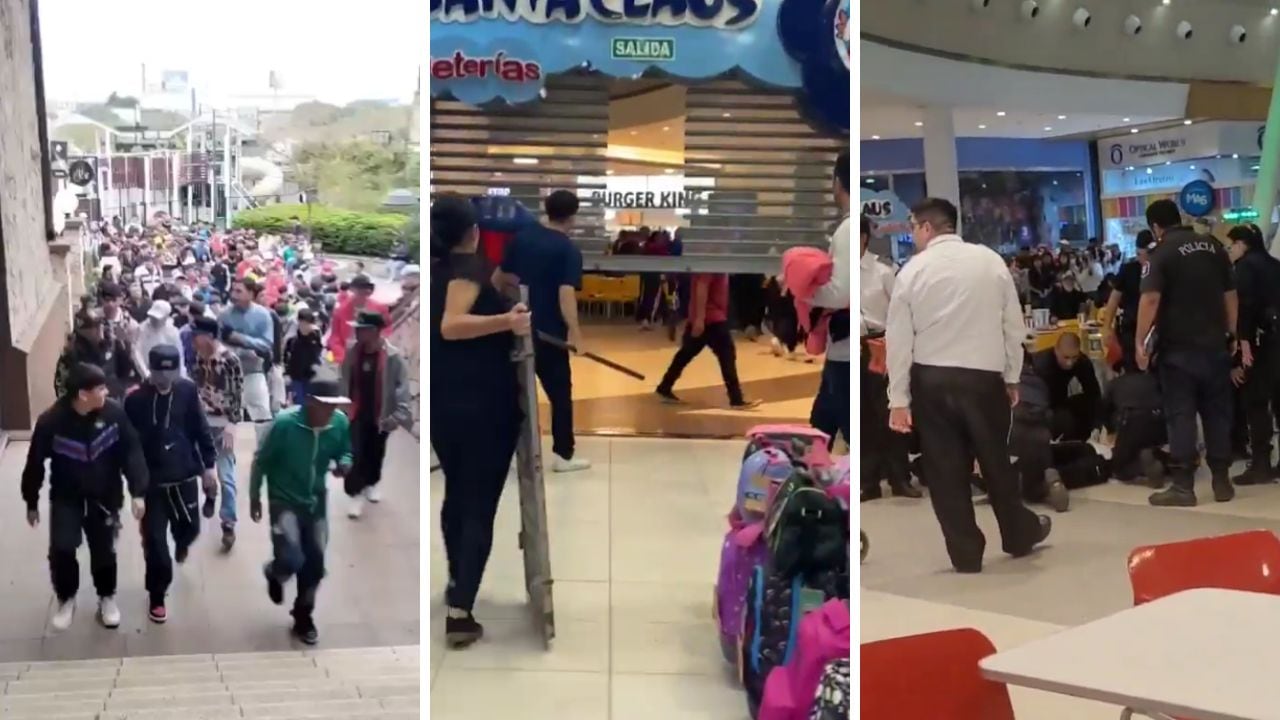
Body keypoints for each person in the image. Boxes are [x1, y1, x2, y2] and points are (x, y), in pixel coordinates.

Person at [885, 197, 1051, 573]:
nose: (912, 234)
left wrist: (899, 398)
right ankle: (1018, 535)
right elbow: (1012, 326)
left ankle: (966, 554)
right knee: (996, 462)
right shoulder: (989, 261)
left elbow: (900, 340)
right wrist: (1011, 376)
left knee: (945, 471)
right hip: (983, 379)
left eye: (913, 226)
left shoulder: (912, 272)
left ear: (927, 227)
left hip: (932, 380)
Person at [430, 194, 529, 648]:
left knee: (457, 494)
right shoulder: (466, 268)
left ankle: (457, 585)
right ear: (472, 231)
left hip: (444, 403)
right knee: (479, 504)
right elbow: (452, 325)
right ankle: (461, 608)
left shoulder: (434, 269)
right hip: (483, 405)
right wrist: (508, 320)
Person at [22, 362, 149, 631]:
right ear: (83, 394)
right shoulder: (51, 422)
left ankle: (107, 597)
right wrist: (31, 501)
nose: (106, 392)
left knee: (104, 551)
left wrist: (138, 492)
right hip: (67, 499)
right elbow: (34, 463)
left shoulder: (114, 415)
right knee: (63, 549)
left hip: (105, 498)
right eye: (100, 389)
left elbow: (132, 452)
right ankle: (66, 598)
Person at [1136, 199, 1238, 506]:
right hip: (1215, 347)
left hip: (1179, 351)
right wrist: (1232, 332)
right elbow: (1230, 294)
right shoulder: (1213, 246)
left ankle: (1183, 486)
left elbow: (1150, 299)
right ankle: (1222, 481)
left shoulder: (1161, 253)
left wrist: (1139, 341)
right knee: (1217, 413)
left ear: (1155, 227)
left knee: (1180, 414)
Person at [249, 378, 353, 646]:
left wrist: (344, 462)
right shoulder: (285, 425)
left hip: (315, 502)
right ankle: (276, 572)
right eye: (324, 407)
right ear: (309, 402)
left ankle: (303, 616)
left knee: (315, 564)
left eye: (334, 407)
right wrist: (254, 498)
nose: (329, 413)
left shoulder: (339, 423)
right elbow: (261, 461)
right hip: (284, 499)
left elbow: (346, 451)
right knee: (292, 556)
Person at [124, 346, 218, 624]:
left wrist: (209, 466)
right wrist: (136, 492)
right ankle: (157, 594)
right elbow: (130, 448)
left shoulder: (187, 392)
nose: (164, 377)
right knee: (155, 544)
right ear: (150, 370)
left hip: (184, 477)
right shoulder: (135, 400)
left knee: (190, 529)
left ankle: (182, 542)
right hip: (152, 484)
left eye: (170, 371)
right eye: (158, 371)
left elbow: (200, 429)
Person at [498, 189, 591, 472]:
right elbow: (566, 295)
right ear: (573, 216)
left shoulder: (522, 237)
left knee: (515, 394)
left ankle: (512, 453)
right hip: (550, 336)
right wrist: (577, 335)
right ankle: (564, 456)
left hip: (518, 329)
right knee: (560, 395)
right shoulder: (568, 250)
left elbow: (499, 278)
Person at [859, 212, 918, 500]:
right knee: (863, 417)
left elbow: (901, 311)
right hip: (850, 346)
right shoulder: (837, 270)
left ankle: (900, 477)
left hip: (880, 346)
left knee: (890, 412)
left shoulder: (882, 271)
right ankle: (868, 481)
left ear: (862, 238)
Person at [341, 309, 413, 519]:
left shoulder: (393, 357)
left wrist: (398, 415)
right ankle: (355, 493)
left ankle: (372, 483)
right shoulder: (353, 352)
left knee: (375, 452)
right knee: (355, 453)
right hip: (356, 413)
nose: (357, 333)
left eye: (361, 330)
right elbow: (343, 380)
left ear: (375, 331)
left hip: (382, 416)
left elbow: (402, 389)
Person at [655, 271, 761, 410]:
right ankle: (736, 399)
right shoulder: (710, 262)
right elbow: (701, 287)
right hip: (711, 318)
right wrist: (700, 318)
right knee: (726, 354)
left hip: (707, 317)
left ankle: (664, 387)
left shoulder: (712, 261)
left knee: (685, 354)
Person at [1225, 223, 1280, 485]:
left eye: (1232, 245)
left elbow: (1244, 310)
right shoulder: (1275, 265)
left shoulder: (1244, 268)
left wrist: (1241, 350)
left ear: (1242, 244)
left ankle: (1260, 464)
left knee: (1256, 403)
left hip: (1259, 345)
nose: (1231, 250)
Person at [809, 149, 854, 448]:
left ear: (837, 182)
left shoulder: (847, 229)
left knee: (843, 426)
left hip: (847, 349)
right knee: (821, 426)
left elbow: (841, 292)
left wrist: (804, 291)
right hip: (841, 347)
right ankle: (811, 481)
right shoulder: (849, 227)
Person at [190, 316, 246, 551]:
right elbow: (197, 389)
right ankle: (210, 494)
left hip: (223, 423)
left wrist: (233, 425)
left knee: (226, 476)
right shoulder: (198, 358)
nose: (194, 340)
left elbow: (237, 393)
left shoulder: (229, 360)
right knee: (206, 471)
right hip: (203, 423)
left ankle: (228, 523)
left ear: (210, 336)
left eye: (197, 335)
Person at [219, 277, 275, 442]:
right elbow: (218, 341)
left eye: (239, 291)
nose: (233, 295)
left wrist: (240, 339)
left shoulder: (263, 315)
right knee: (226, 416)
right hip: (229, 373)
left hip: (253, 370)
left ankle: (264, 454)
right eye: (233, 290)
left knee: (262, 414)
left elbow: (267, 344)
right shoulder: (224, 315)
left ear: (251, 293)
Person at [1100, 364, 1167, 486]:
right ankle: (1163, 463)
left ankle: (1142, 467)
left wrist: (1110, 431)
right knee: (1155, 450)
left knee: (1118, 468)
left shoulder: (1115, 383)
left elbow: (1104, 410)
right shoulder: (1157, 379)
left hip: (1131, 424)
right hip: (1159, 423)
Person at [1029, 333, 1101, 442]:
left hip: (1060, 401)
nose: (1070, 363)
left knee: (1088, 404)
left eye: (1074, 357)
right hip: (1038, 406)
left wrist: (1097, 425)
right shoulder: (1041, 365)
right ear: (1056, 351)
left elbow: (1094, 393)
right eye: (1066, 357)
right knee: (1064, 418)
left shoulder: (1082, 362)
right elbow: (1036, 401)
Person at [55, 311, 136, 401]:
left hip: (112, 399)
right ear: (83, 332)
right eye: (95, 327)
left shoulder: (111, 343)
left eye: (100, 325)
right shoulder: (71, 354)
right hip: (86, 406)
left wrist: (123, 345)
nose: (100, 329)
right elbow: (61, 387)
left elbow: (125, 371)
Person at [1103, 233, 1153, 371]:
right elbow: (1114, 298)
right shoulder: (1130, 269)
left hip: (1155, 328)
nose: (1139, 258)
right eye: (1137, 254)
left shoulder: (1160, 269)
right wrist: (1107, 326)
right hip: (1131, 327)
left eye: (1142, 254)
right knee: (1133, 367)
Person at [327, 274, 389, 365]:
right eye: (360, 290)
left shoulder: (380, 308)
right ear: (352, 290)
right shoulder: (340, 310)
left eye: (367, 290)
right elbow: (335, 337)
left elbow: (386, 330)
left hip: (372, 354)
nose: (363, 294)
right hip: (346, 354)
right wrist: (342, 357)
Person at [136, 300, 185, 380]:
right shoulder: (142, 328)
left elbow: (179, 355)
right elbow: (137, 352)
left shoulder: (173, 331)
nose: (154, 319)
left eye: (157, 318)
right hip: (147, 372)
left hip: (168, 372)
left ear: (166, 316)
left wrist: (181, 376)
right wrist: (146, 373)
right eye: (152, 316)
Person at [284, 307, 324, 404]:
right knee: (299, 403)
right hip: (297, 376)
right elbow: (287, 356)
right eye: (302, 323)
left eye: (307, 323)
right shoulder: (293, 340)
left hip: (312, 376)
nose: (304, 326)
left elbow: (318, 352)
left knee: (311, 403)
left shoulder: (315, 337)